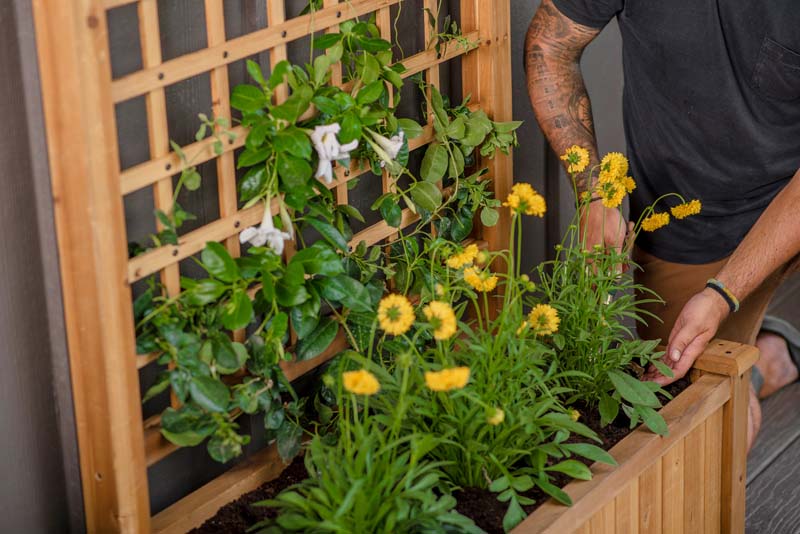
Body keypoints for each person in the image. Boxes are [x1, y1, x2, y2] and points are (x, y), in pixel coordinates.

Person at [525, 0, 800, 450]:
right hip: (699, 217)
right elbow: (550, 46)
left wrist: (725, 295)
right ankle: (767, 357)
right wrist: (594, 193)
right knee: (699, 418)